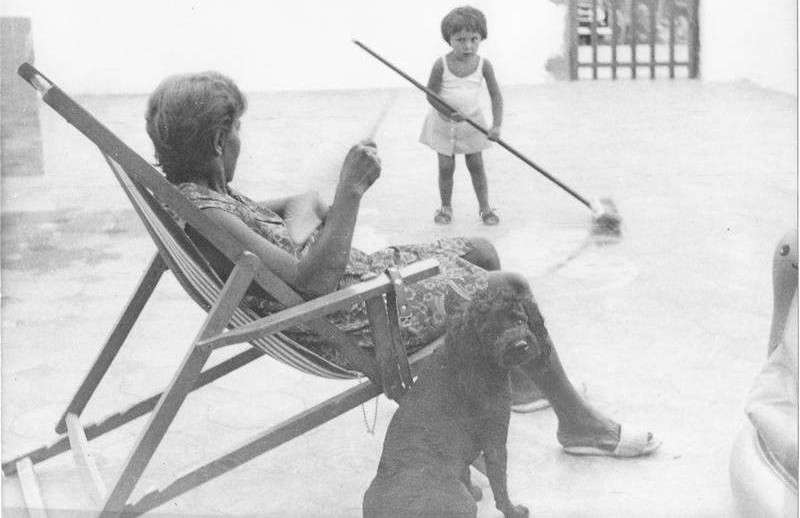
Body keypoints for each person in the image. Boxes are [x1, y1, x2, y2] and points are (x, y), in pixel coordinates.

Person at [144, 71, 660, 458]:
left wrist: (306, 219)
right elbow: (313, 281)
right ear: (219, 141)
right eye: (237, 129)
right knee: (509, 289)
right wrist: (350, 192)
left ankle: (523, 383)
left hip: (356, 285)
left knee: (479, 252)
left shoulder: (204, 195)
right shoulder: (210, 215)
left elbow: (297, 205)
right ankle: (577, 424)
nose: (241, 139)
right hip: (353, 317)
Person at [419, 5, 502, 227]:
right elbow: (430, 95)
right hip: (443, 122)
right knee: (446, 167)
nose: (468, 46)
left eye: (474, 39)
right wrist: (448, 113)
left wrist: (496, 126)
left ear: (482, 38)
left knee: (476, 165)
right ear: (449, 39)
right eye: (460, 40)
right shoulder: (441, 64)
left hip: (472, 123)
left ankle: (485, 208)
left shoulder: (484, 65)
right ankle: (445, 207)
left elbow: (496, 95)